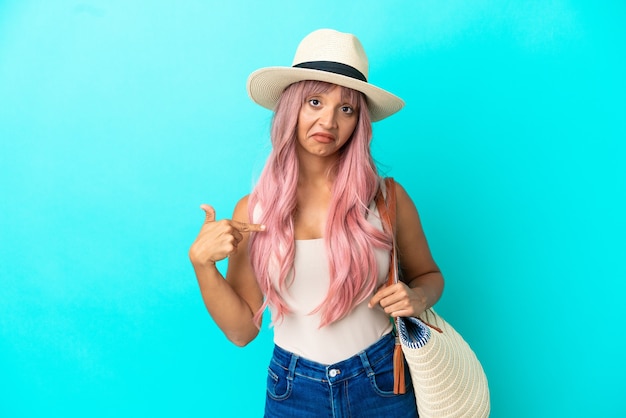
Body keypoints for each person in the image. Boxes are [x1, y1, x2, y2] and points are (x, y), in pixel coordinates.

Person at [189, 28, 444, 417]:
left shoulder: (387, 198)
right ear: (292, 108)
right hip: (293, 389)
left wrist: (418, 297)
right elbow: (242, 332)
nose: (329, 120)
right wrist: (202, 264)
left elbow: (429, 274)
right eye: (314, 101)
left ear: (359, 122)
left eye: (346, 109)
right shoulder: (253, 211)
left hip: (381, 381)